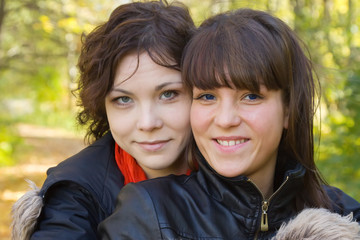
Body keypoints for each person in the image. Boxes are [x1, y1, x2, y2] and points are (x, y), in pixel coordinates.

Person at [98, 8, 360, 239]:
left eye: (251, 96)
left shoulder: (345, 217)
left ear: (289, 110)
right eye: (207, 96)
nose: (225, 120)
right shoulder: (149, 213)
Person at [11, 1, 195, 239]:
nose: (148, 123)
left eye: (168, 94)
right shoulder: (75, 195)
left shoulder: (241, 171)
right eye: (123, 99)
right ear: (102, 105)